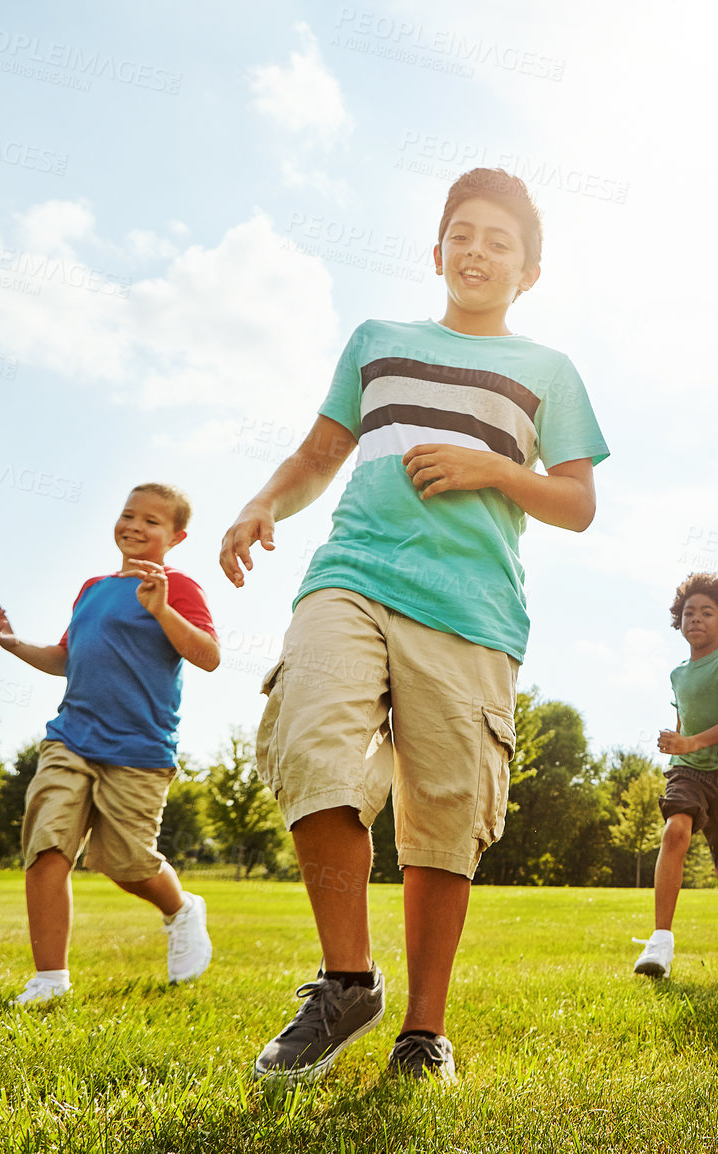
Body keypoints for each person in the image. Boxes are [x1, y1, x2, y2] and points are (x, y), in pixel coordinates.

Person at [219, 167, 608, 1083]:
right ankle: (346, 980)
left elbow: (579, 502)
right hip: (350, 574)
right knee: (311, 746)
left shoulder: (549, 370)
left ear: (530, 271)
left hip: (471, 611)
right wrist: (263, 503)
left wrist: (494, 469)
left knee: (442, 819)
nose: (477, 252)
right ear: (436, 251)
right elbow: (321, 453)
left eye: (499, 242)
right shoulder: (378, 341)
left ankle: (423, 1034)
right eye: (462, 235)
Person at [0, 483, 219, 1004]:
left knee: (125, 862)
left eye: (151, 521)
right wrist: (12, 642)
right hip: (70, 739)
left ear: (177, 536)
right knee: (47, 846)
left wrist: (160, 609)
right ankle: (49, 980)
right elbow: (65, 657)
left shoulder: (177, 586)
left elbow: (208, 656)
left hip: (138, 752)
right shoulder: (92, 587)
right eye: (128, 515)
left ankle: (181, 909)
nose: (134, 525)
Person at [633, 573, 718, 979]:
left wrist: (690, 743)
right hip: (688, 772)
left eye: (707, 613)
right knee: (675, 831)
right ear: (679, 621)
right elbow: (684, 724)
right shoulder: (678, 674)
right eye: (689, 612)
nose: (697, 619)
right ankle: (660, 942)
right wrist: (677, 744)